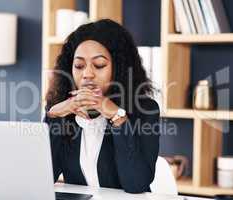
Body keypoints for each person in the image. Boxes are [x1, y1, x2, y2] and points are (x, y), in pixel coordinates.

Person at [43, 19, 160, 194]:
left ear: (119, 69)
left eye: (99, 65)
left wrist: (117, 116)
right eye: (79, 66)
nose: (87, 74)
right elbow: (44, 177)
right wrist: (54, 116)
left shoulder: (145, 109)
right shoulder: (63, 110)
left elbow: (136, 184)